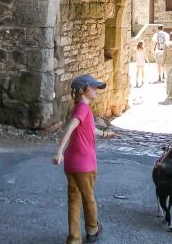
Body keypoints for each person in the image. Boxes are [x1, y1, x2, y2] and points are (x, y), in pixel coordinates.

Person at [52, 74, 116, 244]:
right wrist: (59, 151)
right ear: (83, 90)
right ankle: (92, 229)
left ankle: (74, 238)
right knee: (89, 198)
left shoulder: (79, 107)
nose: (96, 90)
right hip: (85, 164)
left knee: (74, 200)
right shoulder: (83, 109)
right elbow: (70, 128)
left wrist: (104, 133)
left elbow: (88, 128)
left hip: (72, 163)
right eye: (93, 87)